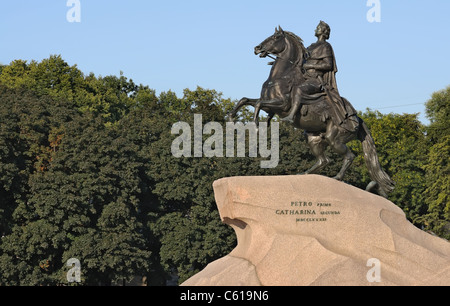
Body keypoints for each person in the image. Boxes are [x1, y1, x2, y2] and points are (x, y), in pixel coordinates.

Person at [283, 21, 358, 131]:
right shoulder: (310, 46)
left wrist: (310, 65)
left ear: (324, 31)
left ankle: (291, 115)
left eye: (318, 27)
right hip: (305, 77)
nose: (316, 29)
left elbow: (328, 65)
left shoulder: (325, 46)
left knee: (298, 90)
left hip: (316, 80)